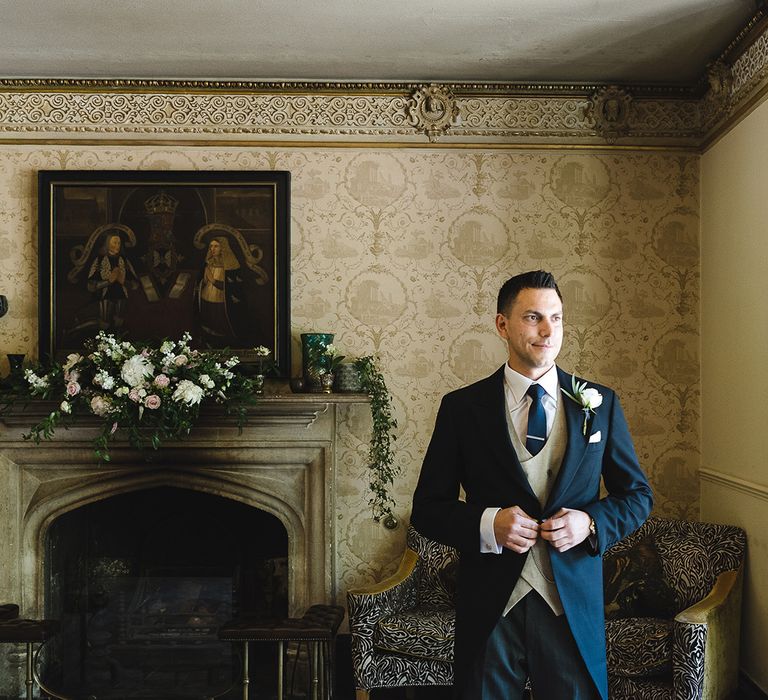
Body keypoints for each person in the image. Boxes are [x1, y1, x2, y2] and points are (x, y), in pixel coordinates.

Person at [411, 270, 653, 700]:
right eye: (533, 318)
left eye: (556, 318)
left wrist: (590, 523)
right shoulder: (462, 408)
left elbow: (637, 497)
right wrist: (490, 524)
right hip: (491, 604)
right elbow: (428, 508)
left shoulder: (600, 404)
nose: (548, 331)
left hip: (570, 604)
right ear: (502, 325)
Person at [197, 236, 244, 346]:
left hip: (221, 301)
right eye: (211, 246)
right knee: (208, 326)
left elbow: (232, 287)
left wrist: (213, 280)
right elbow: (203, 281)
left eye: (216, 246)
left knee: (220, 328)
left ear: (223, 248)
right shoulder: (209, 262)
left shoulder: (231, 265)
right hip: (206, 297)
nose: (212, 249)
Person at [87, 232, 137, 330]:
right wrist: (109, 281)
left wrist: (123, 280)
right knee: (105, 324)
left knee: (119, 324)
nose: (117, 245)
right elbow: (91, 286)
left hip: (121, 296)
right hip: (104, 296)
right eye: (114, 242)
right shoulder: (99, 260)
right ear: (107, 243)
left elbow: (134, 284)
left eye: (119, 243)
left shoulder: (124, 260)